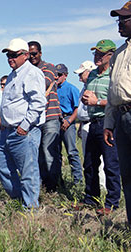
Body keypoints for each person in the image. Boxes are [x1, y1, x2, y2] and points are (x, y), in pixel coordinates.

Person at [0, 38, 46, 210]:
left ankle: (30, 209)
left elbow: (38, 102)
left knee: (28, 172)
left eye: (14, 55)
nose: (10, 58)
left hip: (25, 131)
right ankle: (20, 199)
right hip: (7, 131)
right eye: (8, 55)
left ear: (25, 55)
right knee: (2, 168)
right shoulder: (12, 75)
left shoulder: (32, 73)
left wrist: (24, 126)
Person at [81, 40, 121, 216]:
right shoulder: (91, 75)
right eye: (95, 53)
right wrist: (86, 100)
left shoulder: (114, 75)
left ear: (110, 56)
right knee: (89, 163)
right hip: (93, 122)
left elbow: (115, 101)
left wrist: (95, 101)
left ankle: (112, 202)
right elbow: (89, 97)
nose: (97, 57)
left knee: (111, 164)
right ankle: (91, 198)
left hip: (108, 122)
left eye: (100, 54)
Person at [104, 1, 131, 224]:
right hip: (122, 118)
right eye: (118, 19)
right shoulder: (119, 54)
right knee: (128, 176)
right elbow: (113, 92)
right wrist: (108, 124)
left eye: (125, 19)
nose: (120, 24)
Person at [28, 41, 62, 192]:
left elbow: (41, 84)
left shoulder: (49, 67)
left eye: (34, 53)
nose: (32, 57)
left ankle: (53, 186)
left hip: (50, 116)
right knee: (38, 154)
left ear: (40, 53)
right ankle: (44, 184)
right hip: (36, 119)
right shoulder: (27, 70)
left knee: (49, 153)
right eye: (29, 54)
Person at [74, 61, 106, 189]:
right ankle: (92, 188)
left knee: (101, 159)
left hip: (97, 122)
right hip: (86, 123)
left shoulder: (95, 86)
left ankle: (102, 186)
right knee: (89, 159)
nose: (79, 77)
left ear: (90, 71)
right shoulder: (85, 87)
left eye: (82, 73)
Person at [55, 64, 83, 184]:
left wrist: (69, 121)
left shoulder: (72, 89)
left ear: (65, 75)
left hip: (68, 121)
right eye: (55, 75)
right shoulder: (53, 89)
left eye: (59, 75)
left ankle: (78, 181)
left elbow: (78, 109)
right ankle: (58, 181)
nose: (57, 77)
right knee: (55, 153)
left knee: (71, 152)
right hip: (55, 121)